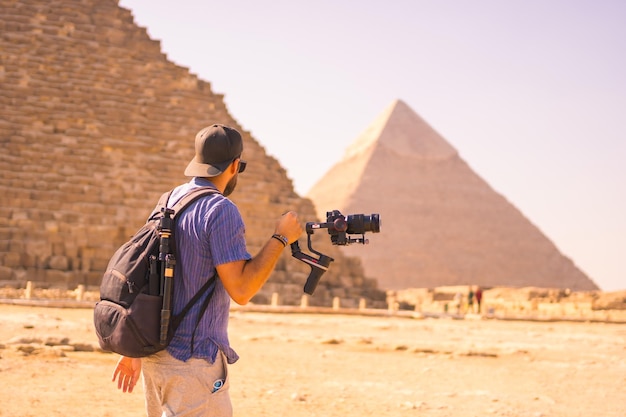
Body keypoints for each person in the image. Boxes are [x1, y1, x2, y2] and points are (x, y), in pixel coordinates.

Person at [111, 124, 303, 416]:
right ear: (235, 165)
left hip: (154, 356)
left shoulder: (167, 202)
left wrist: (133, 348)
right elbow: (241, 290)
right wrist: (280, 238)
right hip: (193, 362)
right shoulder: (220, 210)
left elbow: (147, 275)